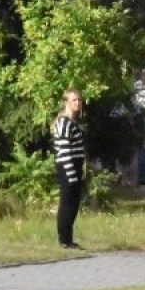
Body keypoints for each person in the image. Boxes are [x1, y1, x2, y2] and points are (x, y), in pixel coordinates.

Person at [53, 89, 86, 249]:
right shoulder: (64, 122)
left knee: (73, 203)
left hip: (75, 165)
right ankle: (64, 240)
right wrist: (71, 175)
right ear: (66, 102)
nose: (77, 103)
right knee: (67, 203)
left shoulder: (72, 122)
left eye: (79, 100)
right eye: (74, 100)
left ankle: (68, 238)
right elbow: (64, 150)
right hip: (67, 165)